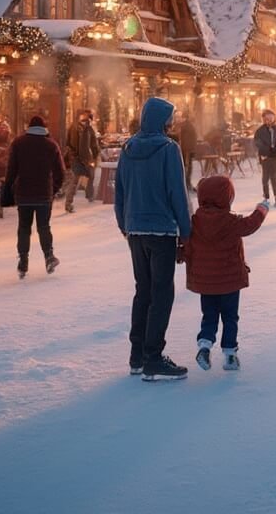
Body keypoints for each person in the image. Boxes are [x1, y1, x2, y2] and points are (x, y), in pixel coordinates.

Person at [115, 97, 191, 382]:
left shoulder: (128, 148)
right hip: (161, 231)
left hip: (135, 230)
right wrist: (186, 232)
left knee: (142, 291)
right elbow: (177, 194)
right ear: (163, 120)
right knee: (161, 293)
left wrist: (124, 224)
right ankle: (153, 357)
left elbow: (119, 191)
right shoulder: (169, 149)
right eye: (171, 117)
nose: (173, 122)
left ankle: (137, 356)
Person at [182, 175, 268, 372]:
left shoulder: (194, 222)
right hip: (229, 281)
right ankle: (230, 355)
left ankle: (204, 345)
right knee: (230, 316)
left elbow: (187, 246)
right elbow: (250, 225)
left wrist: (182, 256)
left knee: (209, 315)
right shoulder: (231, 221)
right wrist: (261, 209)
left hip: (206, 282)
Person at [5, 115, 66, 278]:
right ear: (44, 128)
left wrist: (10, 189)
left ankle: (23, 262)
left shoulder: (18, 144)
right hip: (43, 195)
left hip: (23, 194)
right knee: (44, 227)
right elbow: (61, 172)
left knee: (24, 228)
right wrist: (53, 189)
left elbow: (11, 170)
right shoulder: (51, 145)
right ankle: (48, 257)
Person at [64, 109, 99, 212]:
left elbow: (93, 144)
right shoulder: (73, 128)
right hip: (76, 159)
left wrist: (96, 154)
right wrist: (73, 155)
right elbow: (68, 143)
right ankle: (68, 203)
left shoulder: (89, 129)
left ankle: (90, 195)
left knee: (91, 175)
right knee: (75, 181)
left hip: (87, 159)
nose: (87, 119)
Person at [253, 110, 276, 208]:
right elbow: (257, 142)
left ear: (274, 118)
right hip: (265, 156)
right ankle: (266, 197)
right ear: (264, 119)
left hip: (275, 156)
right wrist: (266, 150)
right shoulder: (260, 131)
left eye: (271, 118)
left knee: (273, 177)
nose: (269, 121)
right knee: (265, 178)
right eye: (266, 119)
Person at [178, 112, 199, 192]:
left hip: (186, 149)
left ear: (184, 118)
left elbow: (179, 136)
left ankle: (186, 183)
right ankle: (187, 183)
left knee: (186, 166)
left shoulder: (185, 125)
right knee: (188, 166)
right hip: (189, 149)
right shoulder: (189, 125)